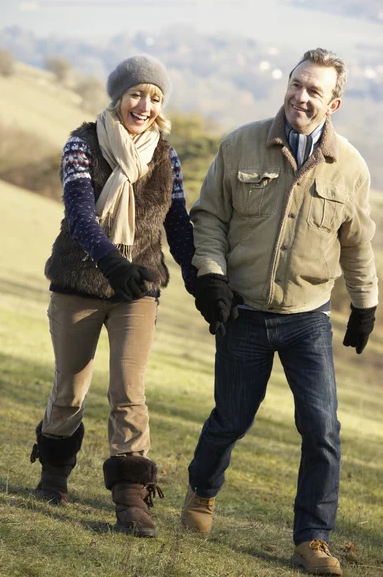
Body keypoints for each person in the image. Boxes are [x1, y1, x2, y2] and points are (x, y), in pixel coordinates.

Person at [181, 48, 378, 575]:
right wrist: (213, 276)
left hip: (307, 319)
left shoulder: (351, 168)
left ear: (333, 102)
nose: (302, 96)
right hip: (242, 313)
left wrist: (365, 305)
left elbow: (358, 245)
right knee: (230, 420)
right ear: (287, 86)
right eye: (297, 84)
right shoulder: (240, 143)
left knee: (322, 429)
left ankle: (312, 539)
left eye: (315, 90)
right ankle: (202, 493)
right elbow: (209, 219)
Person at [29, 54, 196, 538]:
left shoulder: (167, 155)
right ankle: (54, 474)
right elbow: (80, 215)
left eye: (155, 98)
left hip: (137, 291)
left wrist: (201, 279)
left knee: (128, 392)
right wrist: (111, 262)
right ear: (119, 97)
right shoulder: (81, 144)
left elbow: (178, 226)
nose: (145, 105)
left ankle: (131, 501)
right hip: (79, 283)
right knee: (70, 391)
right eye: (137, 94)